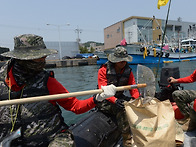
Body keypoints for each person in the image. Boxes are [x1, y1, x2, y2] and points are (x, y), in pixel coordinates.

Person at [0, 34, 116, 147]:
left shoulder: (47, 81)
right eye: (38, 58)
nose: (43, 61)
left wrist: (98, 98)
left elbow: (76, 106)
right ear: (22, 59)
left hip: (51, 139)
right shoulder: (2, 80)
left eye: (44, 57)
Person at [96, 46, 140, 147]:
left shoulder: (128, 70)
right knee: (123, 109)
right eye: (121, 61)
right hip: (105, 100)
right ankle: (127, 140)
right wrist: (115, 100)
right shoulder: (103, 70)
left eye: (125, 60)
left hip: (120, 97)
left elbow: (133, 87)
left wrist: (135, 98)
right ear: (115, 61)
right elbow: (103, 90)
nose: (123, 63)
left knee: (136, 104)